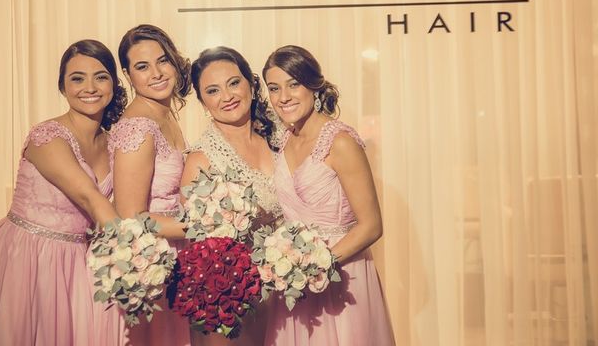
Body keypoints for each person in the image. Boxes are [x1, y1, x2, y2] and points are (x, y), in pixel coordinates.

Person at [0, 39, 127, 345]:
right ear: (62, 87)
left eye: (100, 76)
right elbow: (90, 196)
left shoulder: (114, 143)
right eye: (77, 78)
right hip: (27, 259)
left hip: (77, 264)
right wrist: (136, 251)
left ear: (114, 84)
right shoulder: (47, 136)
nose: (90, 87)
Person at [262, 45, 396, 346]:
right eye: (274, 88)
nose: (283, 97)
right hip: (293, 286)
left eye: (293, 84)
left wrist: (313, 265)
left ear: (313, 85)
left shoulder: (341, 142)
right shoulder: (282, 141)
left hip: (343, 278)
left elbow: (372, 225)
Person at [180, 46, 283, 346]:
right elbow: (198, 249)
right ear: (202, 102)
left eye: (234, 83)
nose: (227, 96)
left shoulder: (281, 138)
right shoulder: (200, 160)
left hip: (291, 286)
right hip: (238, 296)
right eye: (213, 90)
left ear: (251, 84)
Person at [111, 24, 191, 346]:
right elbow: (131, 216)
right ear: (129, 76)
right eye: (142, 67)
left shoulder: (164, 114)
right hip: (150, 258)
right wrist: (201, 227)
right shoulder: (138, 126)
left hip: (172, 250)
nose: (157, 73)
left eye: (163, 61)